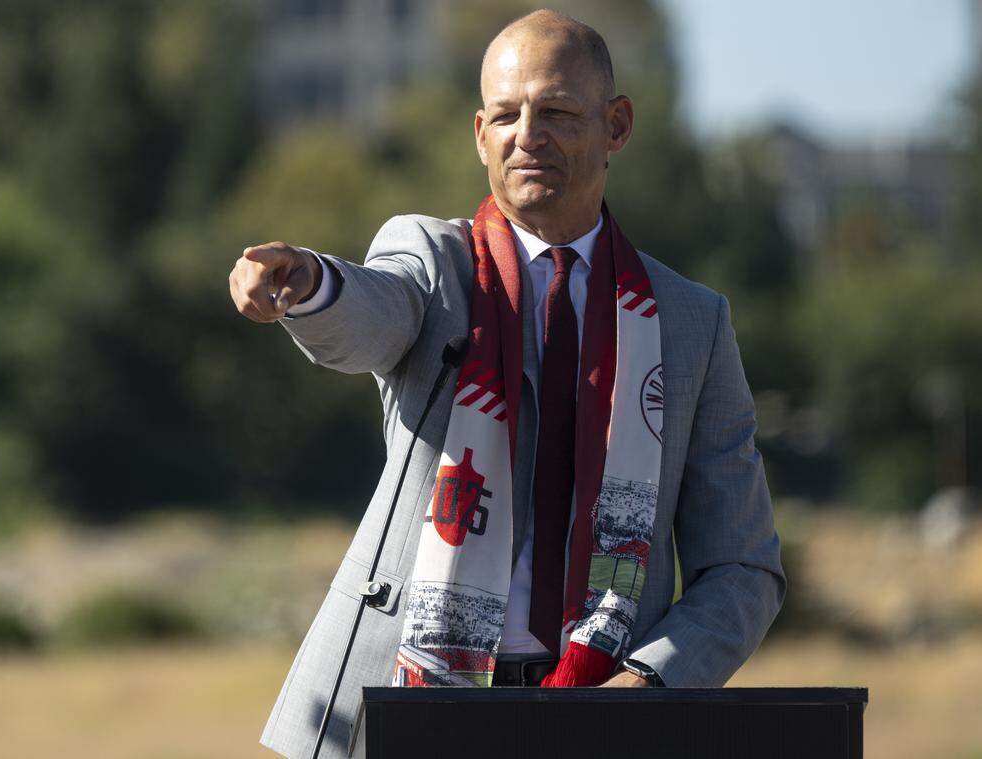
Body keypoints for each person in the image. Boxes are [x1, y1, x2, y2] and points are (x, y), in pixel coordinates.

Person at [231, 9, 786, 759]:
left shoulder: (691, 321)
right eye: (505, 114)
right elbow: (370, 311)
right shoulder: (432, 260)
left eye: (556, 111)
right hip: (406, 702)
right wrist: (307, 282)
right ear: (480, 134)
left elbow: (743, 566)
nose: (528, 133)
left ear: (617, 126)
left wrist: (651, 680)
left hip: (605, 718)